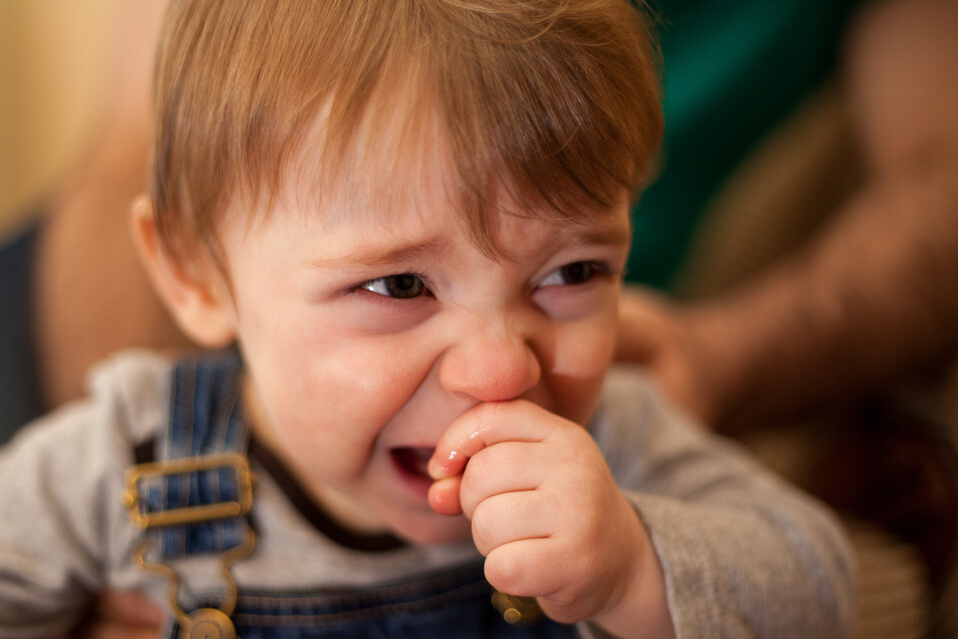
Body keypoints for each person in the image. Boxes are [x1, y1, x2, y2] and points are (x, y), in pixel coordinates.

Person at [0, 1, 856, 637]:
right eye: (400, 287)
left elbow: (820, 587)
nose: (501, 370)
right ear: (196, 273)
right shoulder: (124, 459)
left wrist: (635, 564)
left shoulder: (622, 443)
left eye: (572, 272)